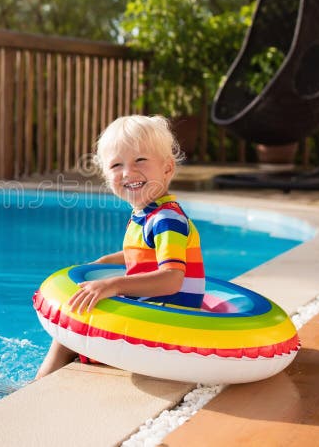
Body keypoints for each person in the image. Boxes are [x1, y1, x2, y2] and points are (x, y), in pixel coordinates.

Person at [34, 115, 206, 380]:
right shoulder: (147, 214)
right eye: (116, 165)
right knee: (79, 316)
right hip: (157, 313)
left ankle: (37, 386)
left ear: (167, 169)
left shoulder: (166, 219)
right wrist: (107, 261)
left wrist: (113, 284)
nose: (128, 172)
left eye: (140, 160)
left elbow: (172, 279)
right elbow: (146, 257)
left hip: (170, 322)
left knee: (71, 325)